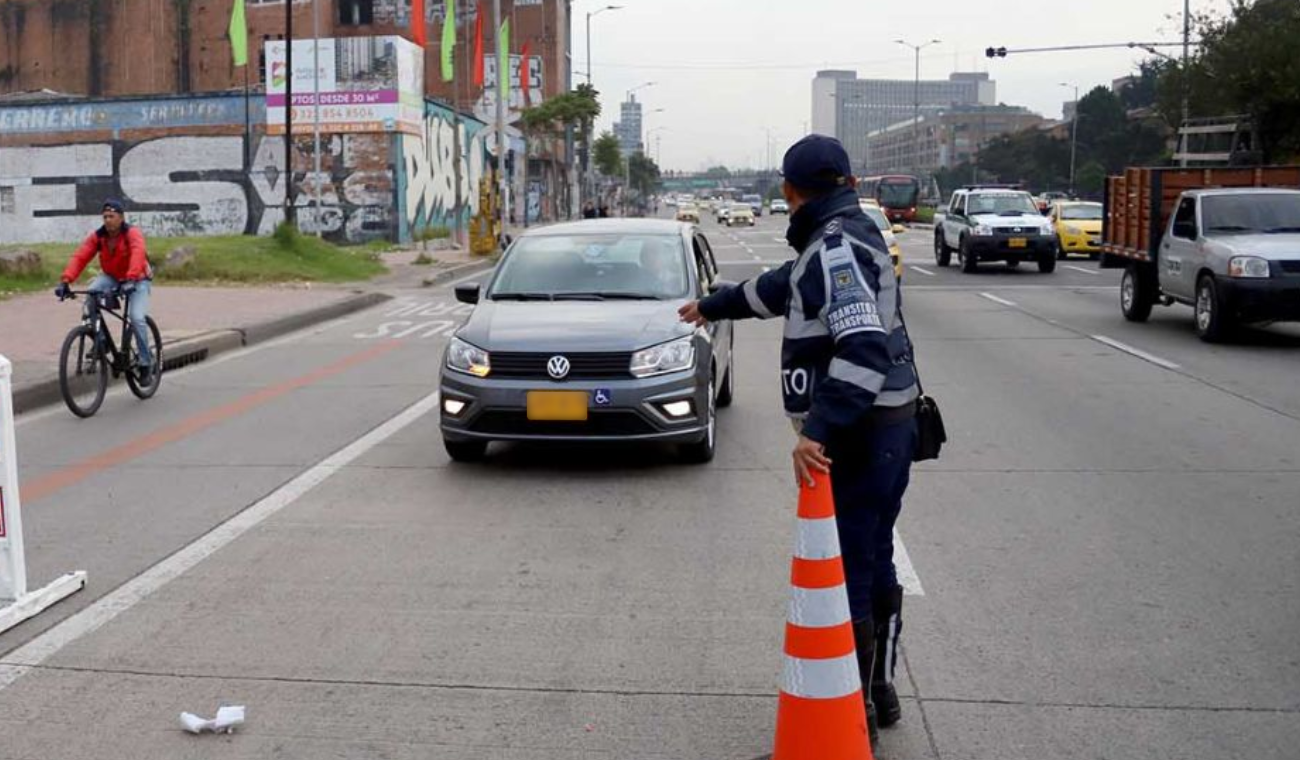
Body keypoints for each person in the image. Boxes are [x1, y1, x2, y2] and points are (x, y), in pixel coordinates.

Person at [678, 135, 918, 742]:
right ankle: (879, 690)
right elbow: (780, 288)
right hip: (891, 423)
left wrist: (817, 430)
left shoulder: (834, 248)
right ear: (848, 184)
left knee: (852, 572)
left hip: (863, 431)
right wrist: (714, 305)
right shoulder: (847, 234)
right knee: (874, 555)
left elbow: (861, 348)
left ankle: (854, 710)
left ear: (790, 190)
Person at [54, 198, 156, 384]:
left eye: (112, 216)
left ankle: (145, 362)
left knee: (136, 317)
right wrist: (65, 281)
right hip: (112, 277)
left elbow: (138, 253)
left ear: (121, 217)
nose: (108, 220)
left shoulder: (132, 233)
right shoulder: (98, 237)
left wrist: (132, 278)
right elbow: (81, 256)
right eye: (105, 216)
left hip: (138, 278)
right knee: (92, 295)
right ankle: (100, 341)